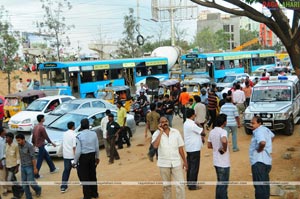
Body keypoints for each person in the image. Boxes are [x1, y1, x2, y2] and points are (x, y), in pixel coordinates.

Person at [152, 117, 187, 199]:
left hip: (176, 163)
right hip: (164, 164)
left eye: (166, 121)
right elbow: (155, 146)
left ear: (168, 122)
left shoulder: (176, 132)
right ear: (159, 124)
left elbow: (180, 148)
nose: (165, 123)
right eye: (162, 122)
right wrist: (160, 132)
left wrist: (185, 161)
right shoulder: (156, 134)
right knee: (166, 187)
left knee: (180, 185)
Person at [73, 118, 100, 199]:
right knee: (93, 175)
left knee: (85, 177)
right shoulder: (94, 134)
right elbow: (96, 147)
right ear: (88, 125)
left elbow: (78, 151)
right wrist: (97, 157)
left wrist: (75, 162)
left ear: (81, 126)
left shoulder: (79, 136)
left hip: (83, 158)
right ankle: (95, 194)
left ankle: (87, 196)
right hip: (92, 157)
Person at [249, 116, 274, 199]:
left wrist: (260, 149)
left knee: (260, 188)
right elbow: (272, 136)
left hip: (259, 161)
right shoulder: (265, 129)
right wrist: (268, 146)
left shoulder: (258, 131)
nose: (251, 125)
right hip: (266, 161)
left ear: (259, 123)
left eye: (253, 123)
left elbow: (262, 142)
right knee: (265, 186)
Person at [207, 114, 230, 199]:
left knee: (220, 182)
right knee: (223, 185)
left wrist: (217, 147)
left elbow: (209, 145)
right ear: (224, 122)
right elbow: (224, 140)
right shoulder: (223, 131)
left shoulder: (212, 131)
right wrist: (224, 149)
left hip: (216, 161)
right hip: (224, 162)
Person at [32, 114, 58, 179]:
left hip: (38, 145)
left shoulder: (35, 127)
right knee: (40, 160)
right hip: (41, 145)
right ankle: (36, 174)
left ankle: (52, 168)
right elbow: (46, 136)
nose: (44, 119)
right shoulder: (42, 128)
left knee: (47, 157)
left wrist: (34, 144)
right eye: (43, 118)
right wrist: (52, 143)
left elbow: (33, 136)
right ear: (41, 119)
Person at [183, 108, 204, 191]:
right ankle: (192, 185)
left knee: (191, 166)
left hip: (189, 147)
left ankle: (189, 183)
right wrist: (199, 124)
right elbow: (202, 132)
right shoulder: (192, 124)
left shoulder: (186, 123)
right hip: (194, 148)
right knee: (194, 167)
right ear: (193, 115)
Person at [16, 133, 42, 199]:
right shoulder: (18, 146)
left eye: (19, 140)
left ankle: (38, 189)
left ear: (23, 139)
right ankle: (29, 197)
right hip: (23, 167)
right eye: (17, 140)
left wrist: (35, 168)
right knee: (24, 184)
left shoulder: (29, 146)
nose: (18, 142)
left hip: (29, 167)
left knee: (31, 182)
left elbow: (33, 158)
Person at [5, 132, 24, 199]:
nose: (6, 139)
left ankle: (17, 194)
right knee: (13, 180)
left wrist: (17, 167)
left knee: (11, 180)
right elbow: (6, 156)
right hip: (8, 166)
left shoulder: (15, 146)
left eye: (7, 137)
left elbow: (18, 157)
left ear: (11, 138)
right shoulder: (6, 145)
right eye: (6, 137)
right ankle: (19, 191)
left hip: (13, 166)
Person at [60, 122, 76, 193]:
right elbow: (74, 147)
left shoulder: (64, 134)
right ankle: (83, 182)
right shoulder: (74, 134)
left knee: (66, 171)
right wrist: (76, 157)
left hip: (66, 155)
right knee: (79, 170)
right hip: (72, 156)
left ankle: (63, 187)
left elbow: (63, 144)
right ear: (73, 127)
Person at [0, 127, 7, 196]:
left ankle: (8, 188)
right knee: (2, 177)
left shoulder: (5, 139)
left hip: (7, 161)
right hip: (1, 162)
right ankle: (4, 190)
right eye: (5, 130)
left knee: (6, 176)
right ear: (1, 132)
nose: (6, 131)